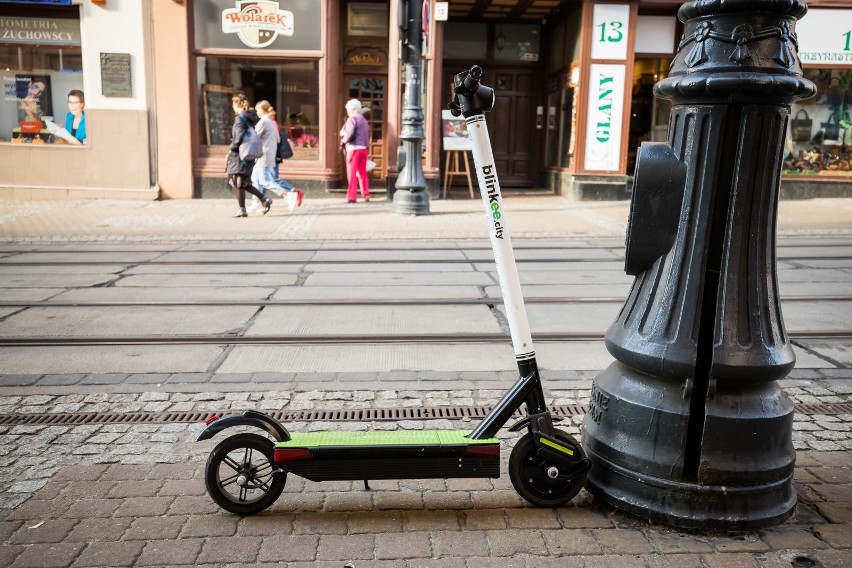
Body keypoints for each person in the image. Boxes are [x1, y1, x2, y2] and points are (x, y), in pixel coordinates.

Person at [248, 100, 303, 213]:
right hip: (269, 154)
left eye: (257, 110)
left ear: (262, 110)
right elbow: (278, 139)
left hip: (263, 154)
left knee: (265, 181)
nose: (256, 112)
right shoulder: (272, 122)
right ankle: (257, 202)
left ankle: (287, 195)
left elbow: (254, 137)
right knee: (255, 178)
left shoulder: (263, 122)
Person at [226, 93, 270, 218]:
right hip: (247, 154)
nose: (232, 106)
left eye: (233, 104)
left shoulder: (239, 118)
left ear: (237, 104)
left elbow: (238, 137)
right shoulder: (249, 117)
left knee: (238, 182)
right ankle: (263, 199)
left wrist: (231, 149)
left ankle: (242, 209)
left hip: (239, 154)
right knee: (242, 182)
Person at [340, 98, 371, 203]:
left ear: (352, 109)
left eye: (348, 109)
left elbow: (349, 133)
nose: (347, 112)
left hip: (353, 149)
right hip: (364, 149)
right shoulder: (365, 121)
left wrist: (343, 141)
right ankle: (365, 194)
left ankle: (352, 196)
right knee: (362, 173)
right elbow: (367, 136)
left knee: (352, 174)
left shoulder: (352, 119)